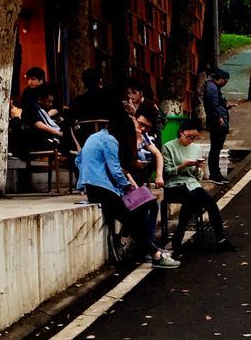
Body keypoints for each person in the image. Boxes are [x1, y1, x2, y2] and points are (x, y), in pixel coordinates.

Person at [76, 109, 178, 267]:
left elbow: (79, 159)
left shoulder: (95, 137)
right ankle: (155, 254)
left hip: (94, 187)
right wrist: (127, 186)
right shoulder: (110, 140)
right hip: (103, 189)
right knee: (133, 218)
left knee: (141, 209)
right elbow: (116, 170)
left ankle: (133, 244)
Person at [162, 119, 235, 256]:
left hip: (191, 183)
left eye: (194, 137)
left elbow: (197, 177)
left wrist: (197, 168)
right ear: (181, 133)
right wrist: (182, 166)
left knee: (210, 202)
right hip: (175, 184)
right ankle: (179, 235)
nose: (191, 140)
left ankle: (221, 238)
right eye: (189, 136)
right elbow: (167, 172)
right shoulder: (168, 147)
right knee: (191, 198)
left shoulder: (196, 148)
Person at [202, 67, 231, 182]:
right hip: (217, 123)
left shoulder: (214, 88)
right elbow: (213, 105)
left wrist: (226, 107)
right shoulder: (212, 88)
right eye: (225, 81)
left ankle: (216, 173)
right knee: (215, 149)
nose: (225, 84)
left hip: (219, 121)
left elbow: (217, 104)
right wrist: (219, 118)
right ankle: (214, 174)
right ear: (220, 79)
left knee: (217, 149)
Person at [21, 83, 65, 155]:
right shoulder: (32, 109)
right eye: (48, 101)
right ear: (40, 100)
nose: (50, 104)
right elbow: (38, 124)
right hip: (39, 140)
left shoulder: (41, 109)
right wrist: (57, 133)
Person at [132, 102, 165, 189]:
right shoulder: (126, 132)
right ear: (135, 119)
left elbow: (158, 154)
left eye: (147, 127)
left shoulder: (144, 135)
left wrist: (159, 176)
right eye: (141, 124)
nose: (143, 129)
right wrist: (138, 141)